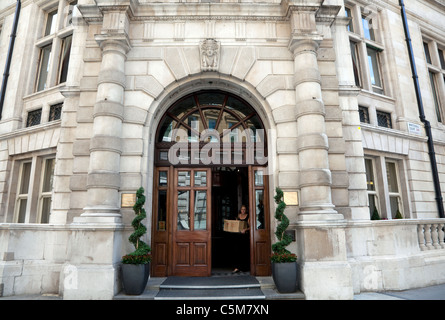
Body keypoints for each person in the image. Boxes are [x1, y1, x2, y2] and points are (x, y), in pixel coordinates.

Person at [232, 205, 250, 273]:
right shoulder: (238, 216)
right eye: (242, 209)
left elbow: (251, 226)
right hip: (237, 236)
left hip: (244, 237)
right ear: (240, 210)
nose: (243, 211)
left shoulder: (248, 217)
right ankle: (237, 268)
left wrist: (245, 229)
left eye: (244, 209)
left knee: (244, 252)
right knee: (237, 251)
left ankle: (244, 268)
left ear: (246, 210)